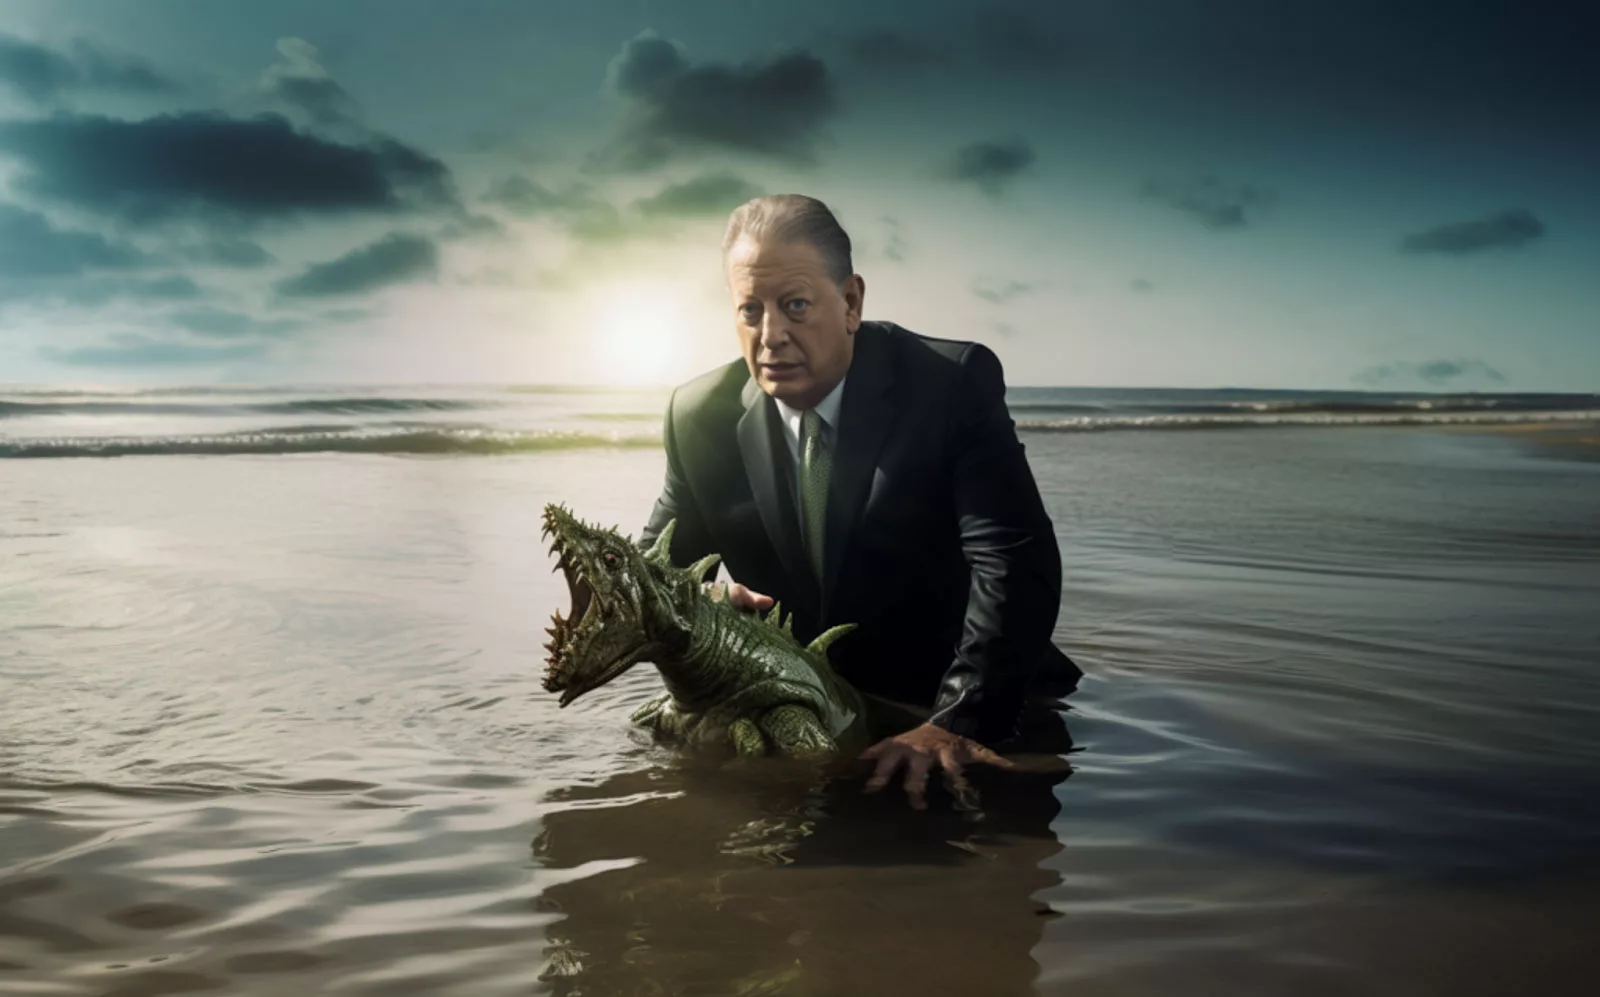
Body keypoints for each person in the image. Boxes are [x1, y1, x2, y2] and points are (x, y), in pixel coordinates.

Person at [639, 193, 1080, 808]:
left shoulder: (949, 384)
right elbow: (654, 571)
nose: (770, 336)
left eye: (794, 305)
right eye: (749, 309)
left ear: (850, 302)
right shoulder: (699, 416)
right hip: (815, 713)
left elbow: (1013, 559)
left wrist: (959, 719)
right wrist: (704, 600)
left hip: (979, 705)